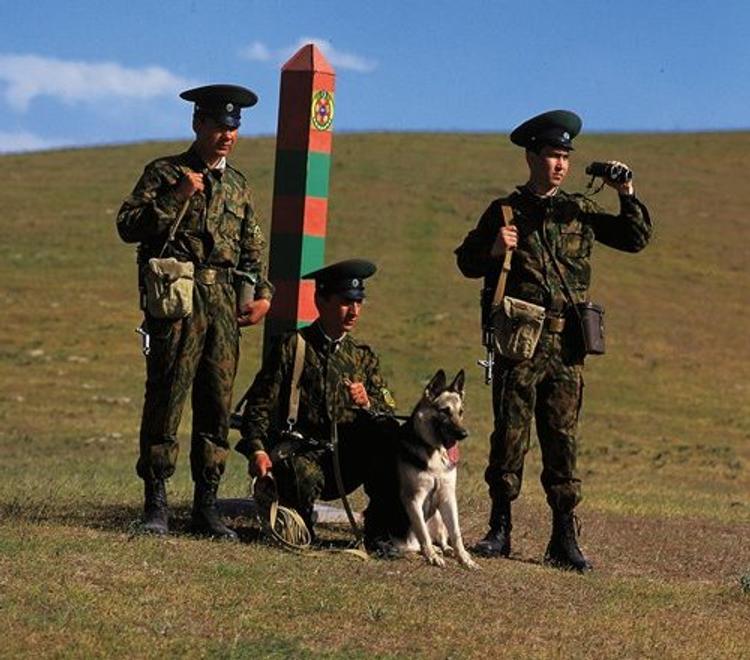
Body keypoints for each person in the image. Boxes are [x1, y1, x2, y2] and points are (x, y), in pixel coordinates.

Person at [455, 110, 653, 571]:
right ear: (531, 157)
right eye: (552, 155)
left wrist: (626, 192)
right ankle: (499, 528)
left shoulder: (578, 211)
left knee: (563, 439)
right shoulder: (505, 211)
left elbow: (635, 238)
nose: (560, 164)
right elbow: (465, 262)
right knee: (510, 434)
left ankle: (563, 539)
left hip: (567, 348)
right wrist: (494, 249)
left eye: (566, 156)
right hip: (520, 343)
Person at [116, 84, 274, 539]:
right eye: (219, 126)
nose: (228, 135)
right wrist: (176, 196)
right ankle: (156, 505)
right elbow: (128, 226)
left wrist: (262, 295)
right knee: (166, 398)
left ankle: (206, 507)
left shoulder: (238, 185)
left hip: (223, 304)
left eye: (234, 128)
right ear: (198, 124)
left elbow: (251, 249)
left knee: (216, 405)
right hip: (177, 303)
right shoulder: (165, 172)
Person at [235, 259, 403, 546]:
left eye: (359, 302)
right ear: (321, 301)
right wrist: (257, 450)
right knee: (301, 488)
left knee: (390, 443)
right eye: (346, 302)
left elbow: (388, 409)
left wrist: (367, 402)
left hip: (346, 459)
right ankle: (298, 523)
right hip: (301, 456)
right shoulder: (293, 346)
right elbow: (259, 406)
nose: (354, 311)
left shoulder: (362, 356)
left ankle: (380, 533)